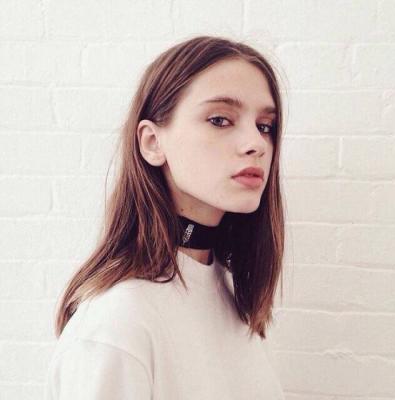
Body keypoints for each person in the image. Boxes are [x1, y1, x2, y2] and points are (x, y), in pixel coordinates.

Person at [44, 35, 286, 399]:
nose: (256, 143)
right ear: (152, 142)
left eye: (265, 125)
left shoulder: (229, 291)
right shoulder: (117, 325)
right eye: (220, 120)